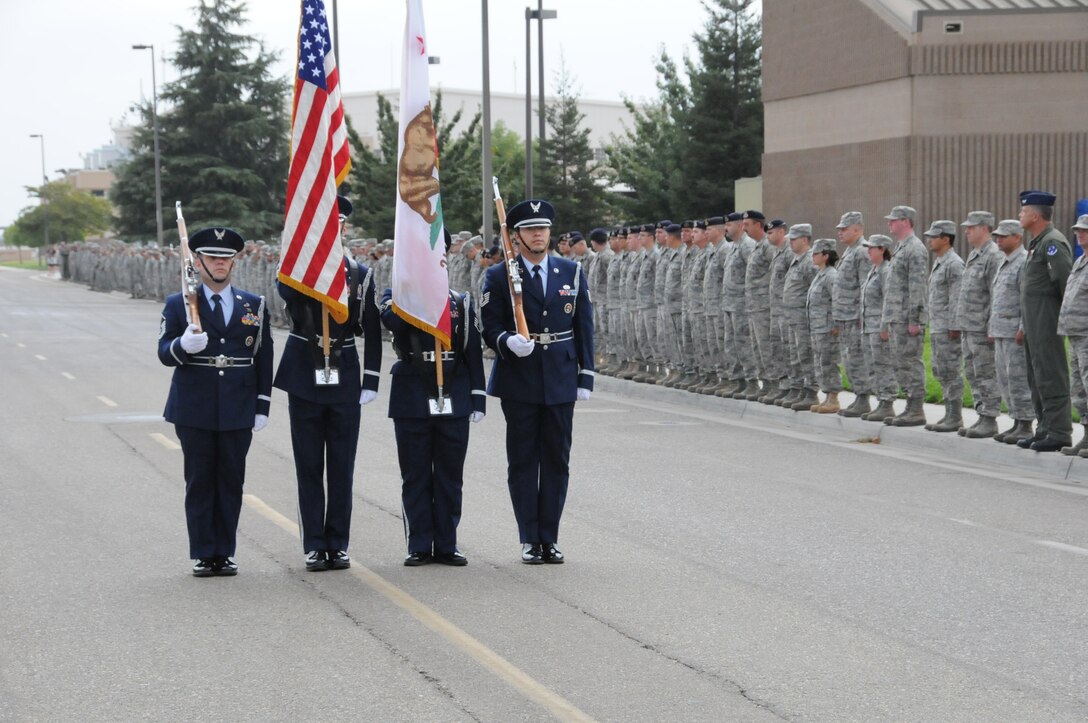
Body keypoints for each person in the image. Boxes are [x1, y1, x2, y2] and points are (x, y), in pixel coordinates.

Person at [481, 198, 594, 564]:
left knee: (557, 460)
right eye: (531, 230)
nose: (538, 235)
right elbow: (490, 325)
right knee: (524, 461)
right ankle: (530, 537)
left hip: (560, 375)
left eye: (543, 229)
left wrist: (585, 375)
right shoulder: (500, 275)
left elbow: (584, 326)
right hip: (520, 378)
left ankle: (551, 537)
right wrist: (506, 341)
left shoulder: (570, 272)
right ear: (516, 236)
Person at [274, 195, 383, 572]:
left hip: (344, 369)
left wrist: (370, 378)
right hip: (304, 368)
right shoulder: (293, 269)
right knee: (308, 464)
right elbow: (285, 295)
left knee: (341, 464)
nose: (330, 229)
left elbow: (370, 328)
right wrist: (308, 262)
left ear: (343, 228)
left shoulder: (359, 273)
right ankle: (313, 544)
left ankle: (337, 543)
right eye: (322, 223)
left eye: (335, 224)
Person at [157, 227, 273, 577]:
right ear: (198, 261)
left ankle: (225, 551)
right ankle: (204, 552)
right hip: (195, 405)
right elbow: (163, 352)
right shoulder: (179, 304)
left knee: (231, 481)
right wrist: (182, 346)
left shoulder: (253, 304)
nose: (220, 264)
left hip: (238, 405)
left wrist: (262, 404)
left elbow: (263, 356)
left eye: (226, 258)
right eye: (212, 258)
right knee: (200, 480)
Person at [381, 230, 486, 566]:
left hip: (452, 392)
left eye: (436, 253)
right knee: (415, 474)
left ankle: (447, 543)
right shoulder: (396, 295)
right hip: (412, 392)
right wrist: (413, 291)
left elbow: (471, 351)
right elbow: (390, 322)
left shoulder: (460, 301)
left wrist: (478, 397)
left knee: (449, 474)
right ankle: (418, 543)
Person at [1016, 190, 1073, 452]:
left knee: (1051, 374)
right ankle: (1044, 429)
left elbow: (1065, 283)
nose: (1020, 215)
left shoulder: (1053, 243)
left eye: (1023, 211)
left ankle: (1060, 431)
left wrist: (1064, 321)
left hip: (1047, 320)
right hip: (1033, 322)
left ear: (1035, 215)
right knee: (1037, 375)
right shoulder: (1038, 243)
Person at [955, 211, 1004, 438]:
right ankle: (981, 414)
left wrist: (992, 325)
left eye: (971, 227)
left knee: (985, 373)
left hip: (982, 328)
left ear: (984, 228)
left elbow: (996, 294)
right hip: (969, 326)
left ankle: (990, 418)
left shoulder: (993, 255)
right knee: (973, 373)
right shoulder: (975, 254)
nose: (966, 231)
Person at [881, 205, 930, 426]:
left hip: (906, 318)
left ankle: (917, 408)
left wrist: (915, 319)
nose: (889, 223)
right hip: (895, 317)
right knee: (900, 363)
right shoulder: (901, 248)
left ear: (906, 222)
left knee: (910, 362)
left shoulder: (915, 249)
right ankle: (910, 405)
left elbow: (917, 286)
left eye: (894, 220)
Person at [988, 220, 1035, 444]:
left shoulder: (1023, 262)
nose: (999, 239)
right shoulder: (1005, 262)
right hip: (1001, 331)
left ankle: (1026, 424)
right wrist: (992, 327)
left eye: (1003, 236)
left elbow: (1027, 299)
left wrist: (1023, 328)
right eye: (997, 235)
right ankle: (1016, 421)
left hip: (1015, 332)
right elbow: (998, 298)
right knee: (1005, 379)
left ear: (1018, 237)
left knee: (1018, 379)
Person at [922, 221, 965, 433]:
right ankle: (949, 413)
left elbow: (957, 297)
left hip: (949, 327)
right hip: (939, 325)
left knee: (951, 370)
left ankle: (955, 416)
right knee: (941, 370)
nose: (929, 240)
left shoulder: (954, 264)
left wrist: (955, 325)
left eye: (933, 236)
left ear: (946, 239)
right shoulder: (941, 262)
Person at [833, 212, 873, 417]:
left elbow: (865, 286)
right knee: (849, 358)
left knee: (857, 358)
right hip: (845, 316)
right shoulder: (850, 252)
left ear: (857, 229)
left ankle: (864, 398)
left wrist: (861, 316)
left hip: (855, 317)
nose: (840, 232)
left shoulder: (862, 252)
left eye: (844, 229)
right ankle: (859, 395)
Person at [1057, 214, 1088, 456]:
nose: (1079, 234)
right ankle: (1086, 436)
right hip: (1075, 334)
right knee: (1079, 389)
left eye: (1084, 231)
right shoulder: (1080, 262)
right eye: (1078, 230)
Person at [859, 235, 898, 422]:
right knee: (872, 366)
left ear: (882, 249)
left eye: (872, 248)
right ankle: (880, 401)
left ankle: (887, 402)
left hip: (879, 327)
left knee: (883, 365)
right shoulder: (873, 270)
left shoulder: (885, 271)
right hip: (868, 326)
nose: (868, 250)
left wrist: (885, 326)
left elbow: (888, 300)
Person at [780, 224, 817, 410]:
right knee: (794, 354)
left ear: (804, 239)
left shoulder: (809, 261)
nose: (790, 243)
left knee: (805, 354)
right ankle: (799, 387)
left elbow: (815, 291)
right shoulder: (797, 260)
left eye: (793, 239)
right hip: (791, 318)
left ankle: (810, 390)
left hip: (803, 318)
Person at [807, 238, 841, 413]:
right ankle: (826, 396)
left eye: (816, 253)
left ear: (826, 256)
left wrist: (835, 323)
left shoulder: (831, 275)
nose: (812, 256)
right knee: (820, 362)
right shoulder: (820, 274)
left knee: (829, 361)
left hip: (827, 327)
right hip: (817, 326)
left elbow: (836, 300)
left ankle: (833, 398)